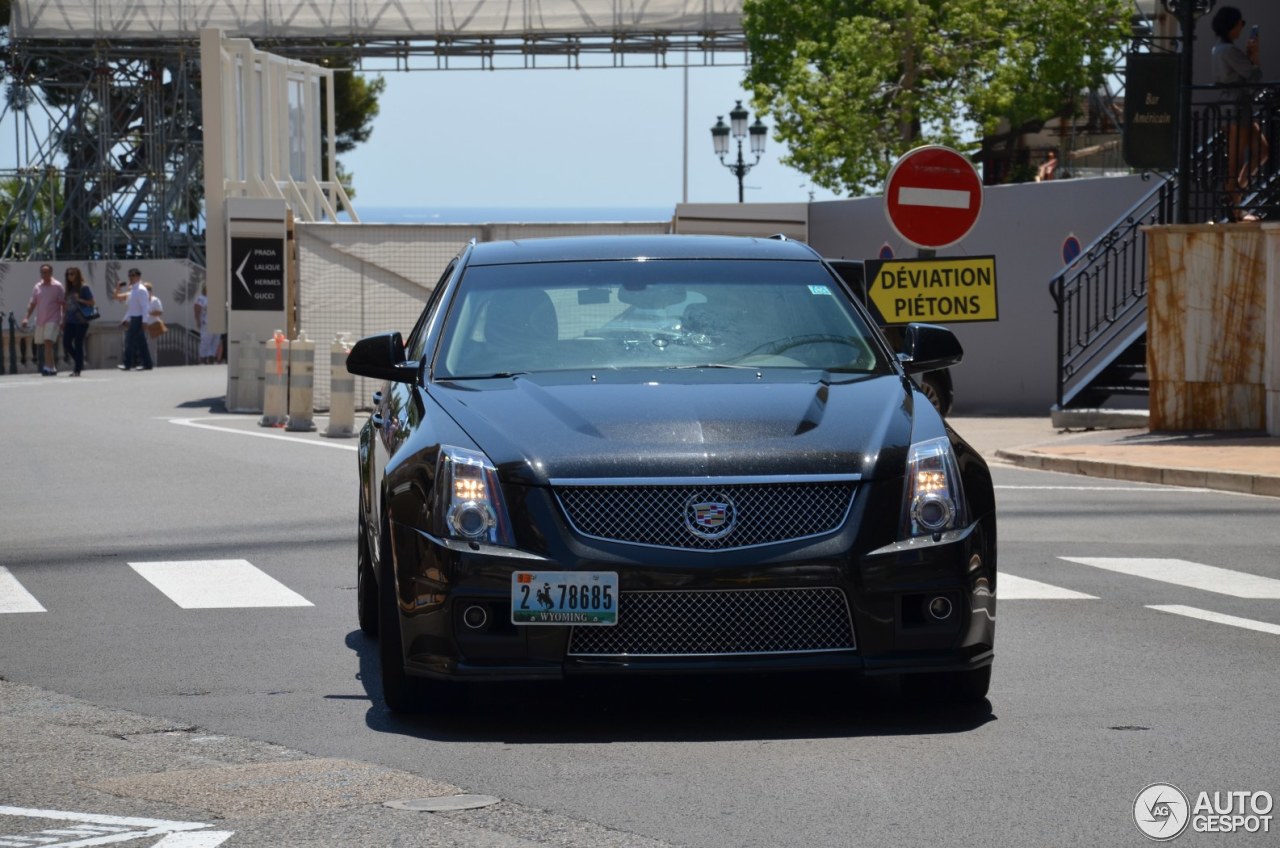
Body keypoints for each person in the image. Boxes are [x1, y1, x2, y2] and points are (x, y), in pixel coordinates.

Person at [1211, 6, 1269, 221]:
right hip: (1237, 109)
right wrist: (1254, 56)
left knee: (1261, 151)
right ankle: (1233, 207)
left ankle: (1235, 197)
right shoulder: (1227, 50)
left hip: (1233, 107)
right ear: (1232, 25)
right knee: (1236, 161)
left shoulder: (1220, 49)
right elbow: (1254, 75)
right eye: (1240, 23)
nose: (1242, 28)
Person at [19, 263, 66, 376]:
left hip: (53, 318)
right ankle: (52, 367)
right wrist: (26, 318)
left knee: (48, 342)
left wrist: (63, 320)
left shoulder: (58, 286)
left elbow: (64, 304)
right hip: (41, 319)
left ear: (51, 273)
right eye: (42, 272)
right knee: (45, 344)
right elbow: (32, 303)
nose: (44, 274)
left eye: (46, 272)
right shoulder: (37, 287)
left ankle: (47, 367)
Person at [61, 266, 95, 377]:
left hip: (81, 320)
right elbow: (66, 307)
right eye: (68, 274)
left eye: (72, 274)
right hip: (70, 320)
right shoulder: (69, 289)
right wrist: (63, 320)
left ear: (77, 275)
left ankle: (77, 369)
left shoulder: (84, 288)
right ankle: (79, 362)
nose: (69, 276)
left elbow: (92, 302)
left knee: (78, 343)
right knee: (66, 342)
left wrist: (79, 299)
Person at [118, 268, 153, 371]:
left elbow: (144, 306)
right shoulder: (133, 290)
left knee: (129, 340)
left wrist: (145, 321)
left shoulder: (141, 290)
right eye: (129, 275)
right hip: (134, 317)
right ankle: (147, 363)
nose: (130, 277)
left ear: (138, 277)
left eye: (133, 275)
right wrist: (125, 319)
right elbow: (132, 308)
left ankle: (127, 364)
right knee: (141, 342)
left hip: (139, 318)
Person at [193, 284, 218, 364]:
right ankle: (202, 359)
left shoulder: (213, 297)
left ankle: (211, 359)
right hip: (206, 323)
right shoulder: (201, 298)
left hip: (216, 323)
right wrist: (198, 321)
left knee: (214, 342)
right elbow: (197, 309)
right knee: (205, 341)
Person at [143, 282, 164, 367]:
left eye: (147, 289)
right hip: (143, 326)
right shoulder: (142, 301)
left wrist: (149, 313)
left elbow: (159, 311)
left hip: (153, 325)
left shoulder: (155, 300)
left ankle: (152, 363)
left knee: (151, 346)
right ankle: (144, 362)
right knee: (143, 346)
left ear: (150, 290)